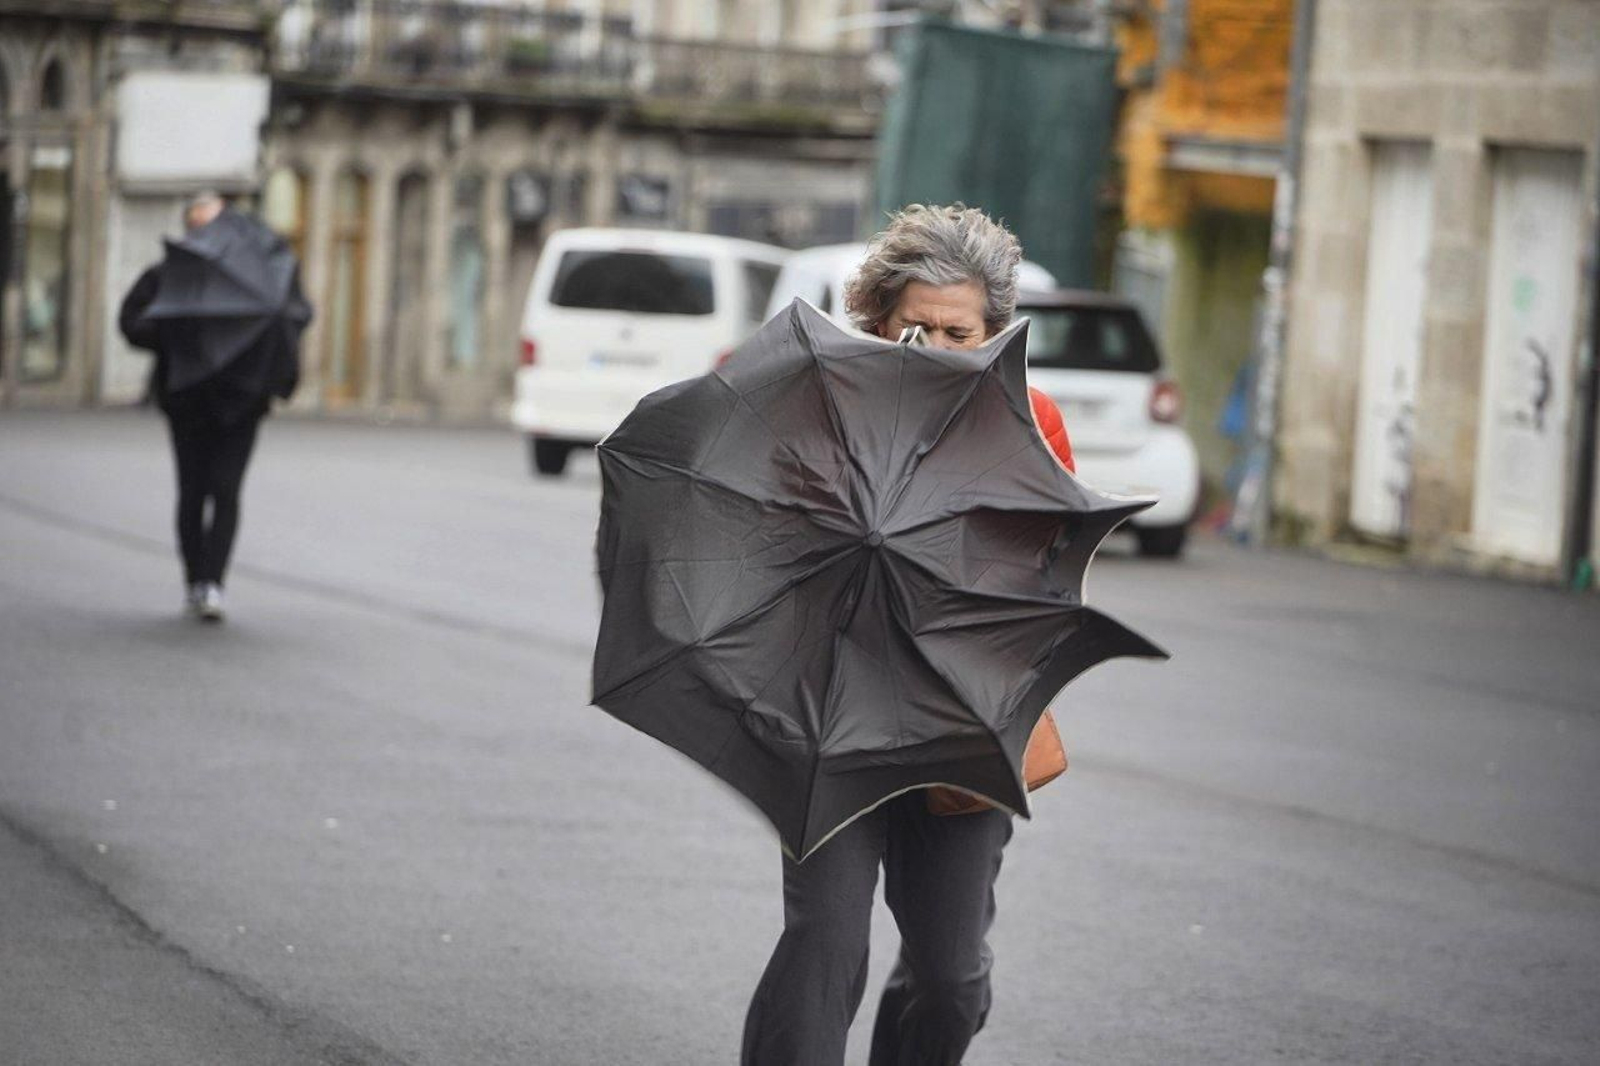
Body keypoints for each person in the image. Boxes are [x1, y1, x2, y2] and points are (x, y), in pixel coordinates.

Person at [740, 204, 1076, 1066]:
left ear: (994, 335)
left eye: (959, 333)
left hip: (961, 724)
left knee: (950, 979)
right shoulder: (821, 411)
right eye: (915, 328)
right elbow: (773, 561)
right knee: (824, 948)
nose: (935, 348)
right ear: (879, 325)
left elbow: (1044, 579)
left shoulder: (1032, 420)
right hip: (833, 720)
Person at [118, 193, 304, 622]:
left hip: (242, 403)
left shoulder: (261, 280)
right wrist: (173, 333)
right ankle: (193, 579)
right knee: (192, 490)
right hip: (187, 401)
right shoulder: (166, 277)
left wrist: (278, 377)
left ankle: (213, 582)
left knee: (226, 489)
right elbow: (130, 322)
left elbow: (289, 323)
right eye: (201, 226)